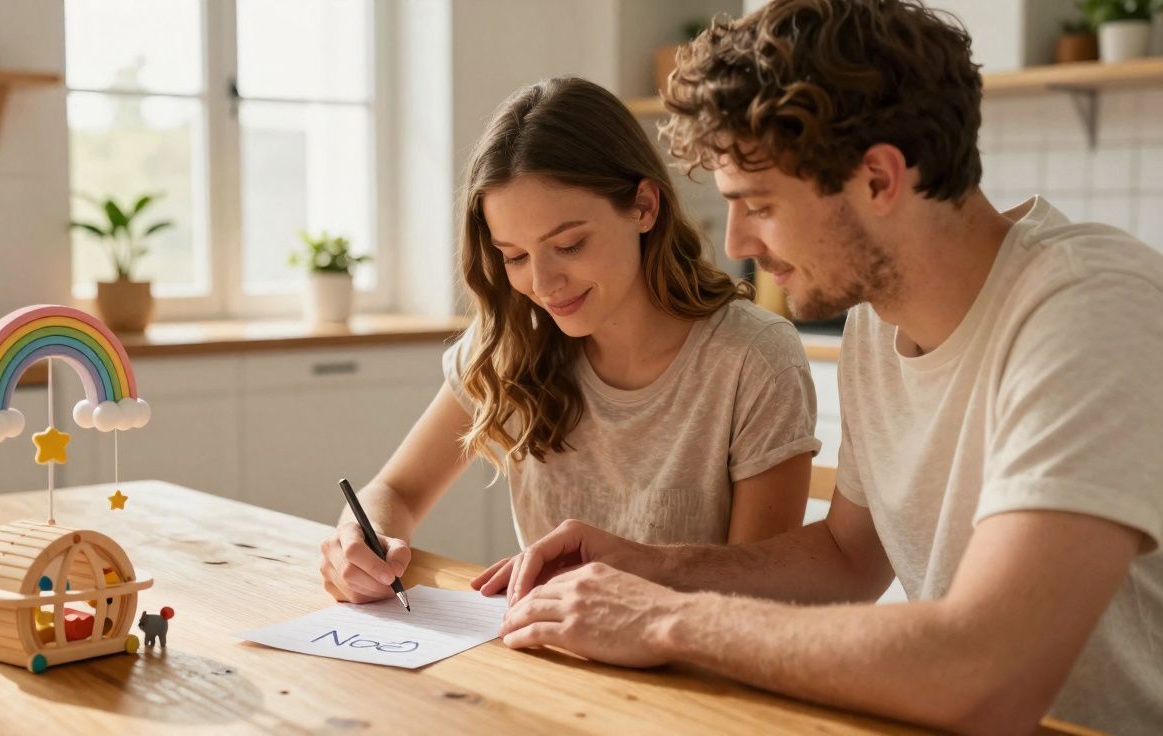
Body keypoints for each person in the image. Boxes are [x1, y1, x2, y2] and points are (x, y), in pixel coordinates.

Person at [478, 2, 1163, 734]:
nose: (737, 239)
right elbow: (846, 559)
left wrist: (667, 618)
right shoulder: (877, 326)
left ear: (878, 178)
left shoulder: (1090, 304)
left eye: (760, 205)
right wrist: (647, 566)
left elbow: (989, 672)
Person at [318, 77, 822, 607]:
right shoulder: (512, 343)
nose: (543, 283)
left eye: (569, 244)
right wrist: (360, 538)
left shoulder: (754, 357)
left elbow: (761, 599)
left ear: (644, 206)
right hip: (552, 662)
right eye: (514, 256)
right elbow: (395, 492)